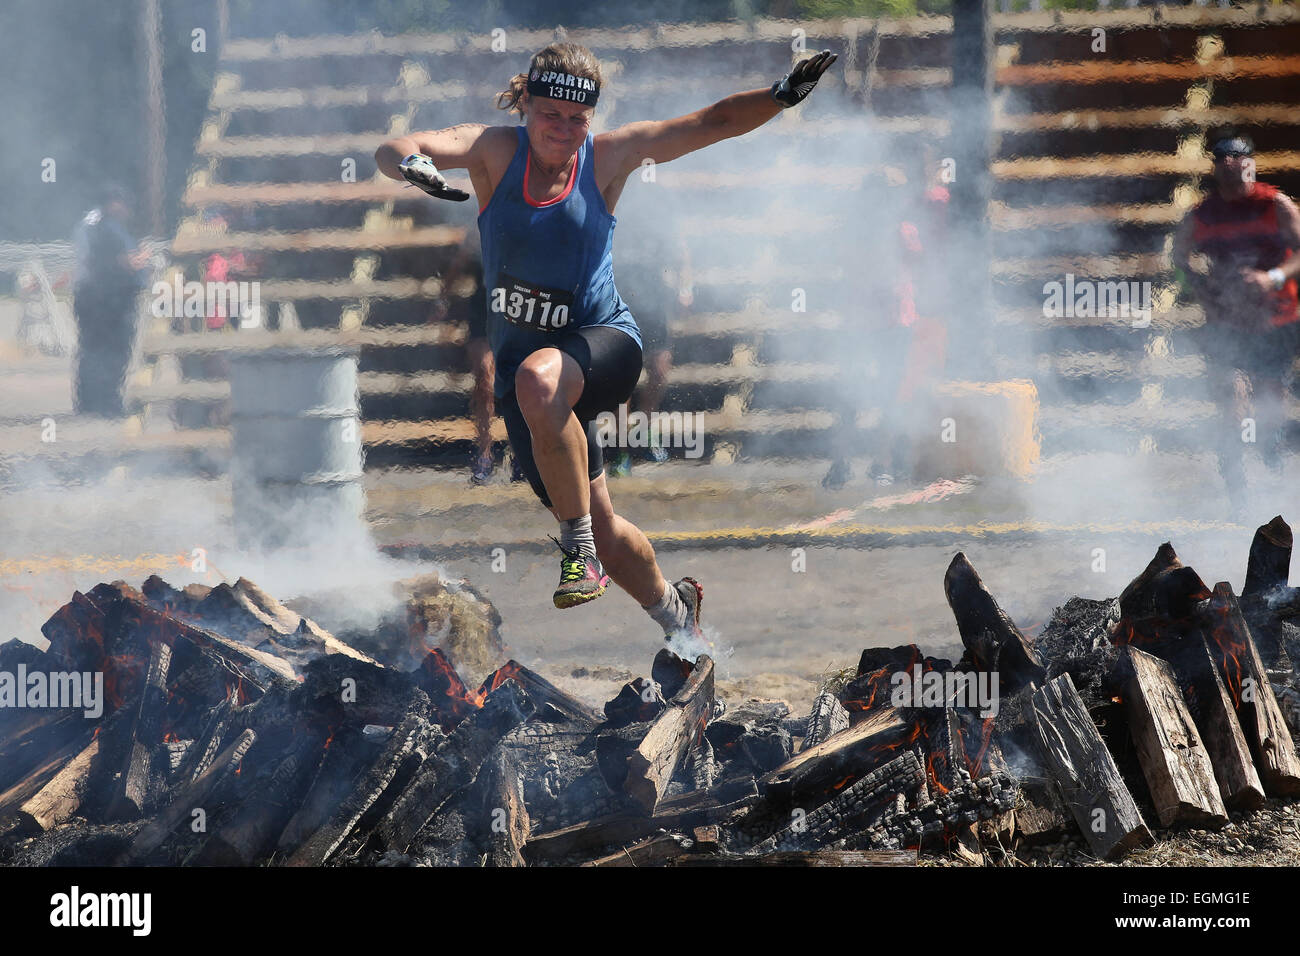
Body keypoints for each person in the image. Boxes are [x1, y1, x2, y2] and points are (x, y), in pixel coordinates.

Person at [376, 42, 838, 641]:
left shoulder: (606, 158)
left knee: (540, 387)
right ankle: (678, 615)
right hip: (532, 379)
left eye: (577, 121)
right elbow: (396, 146)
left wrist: (780, 95)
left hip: (604, 344)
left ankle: (576, 554)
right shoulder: (495, 150)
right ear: (528, 105)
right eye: (551, 116)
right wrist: (414, 165)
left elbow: (707, 124)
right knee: (602, 521)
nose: (563, 132)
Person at [1172, 132, 1300, 517]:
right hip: (1226, 323)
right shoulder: (1200, 216)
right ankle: (1237, 493)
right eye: (1229, 169)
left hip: (1275, 321)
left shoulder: (1276, 205)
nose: (1239, 177)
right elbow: (1179, 259)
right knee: (1230, 403)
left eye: (1245, 168)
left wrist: (1272, 278)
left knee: (1268, 407)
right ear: (1218, 172)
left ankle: (1274, 479)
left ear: (1252, 167)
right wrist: (1202, 289)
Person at [608, 232, 691, 474]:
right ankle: (621, 449)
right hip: (618, 296)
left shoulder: (657, 199)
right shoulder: (610, 200)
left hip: (654, 298)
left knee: (660, 367)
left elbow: (680, 245)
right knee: (622, 377)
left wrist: (686, 288)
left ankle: (644, 430)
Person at [71, 184, 151, 417]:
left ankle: (93, 403)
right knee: (108, 352)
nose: (126, 208)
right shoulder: (102, 228)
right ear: (111, 204)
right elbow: (116, 263)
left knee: (99, 351)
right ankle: (105, 403)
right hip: (105, 300)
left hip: (109, 298)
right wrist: (140, 259)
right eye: (121, 202)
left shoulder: (111, 227)